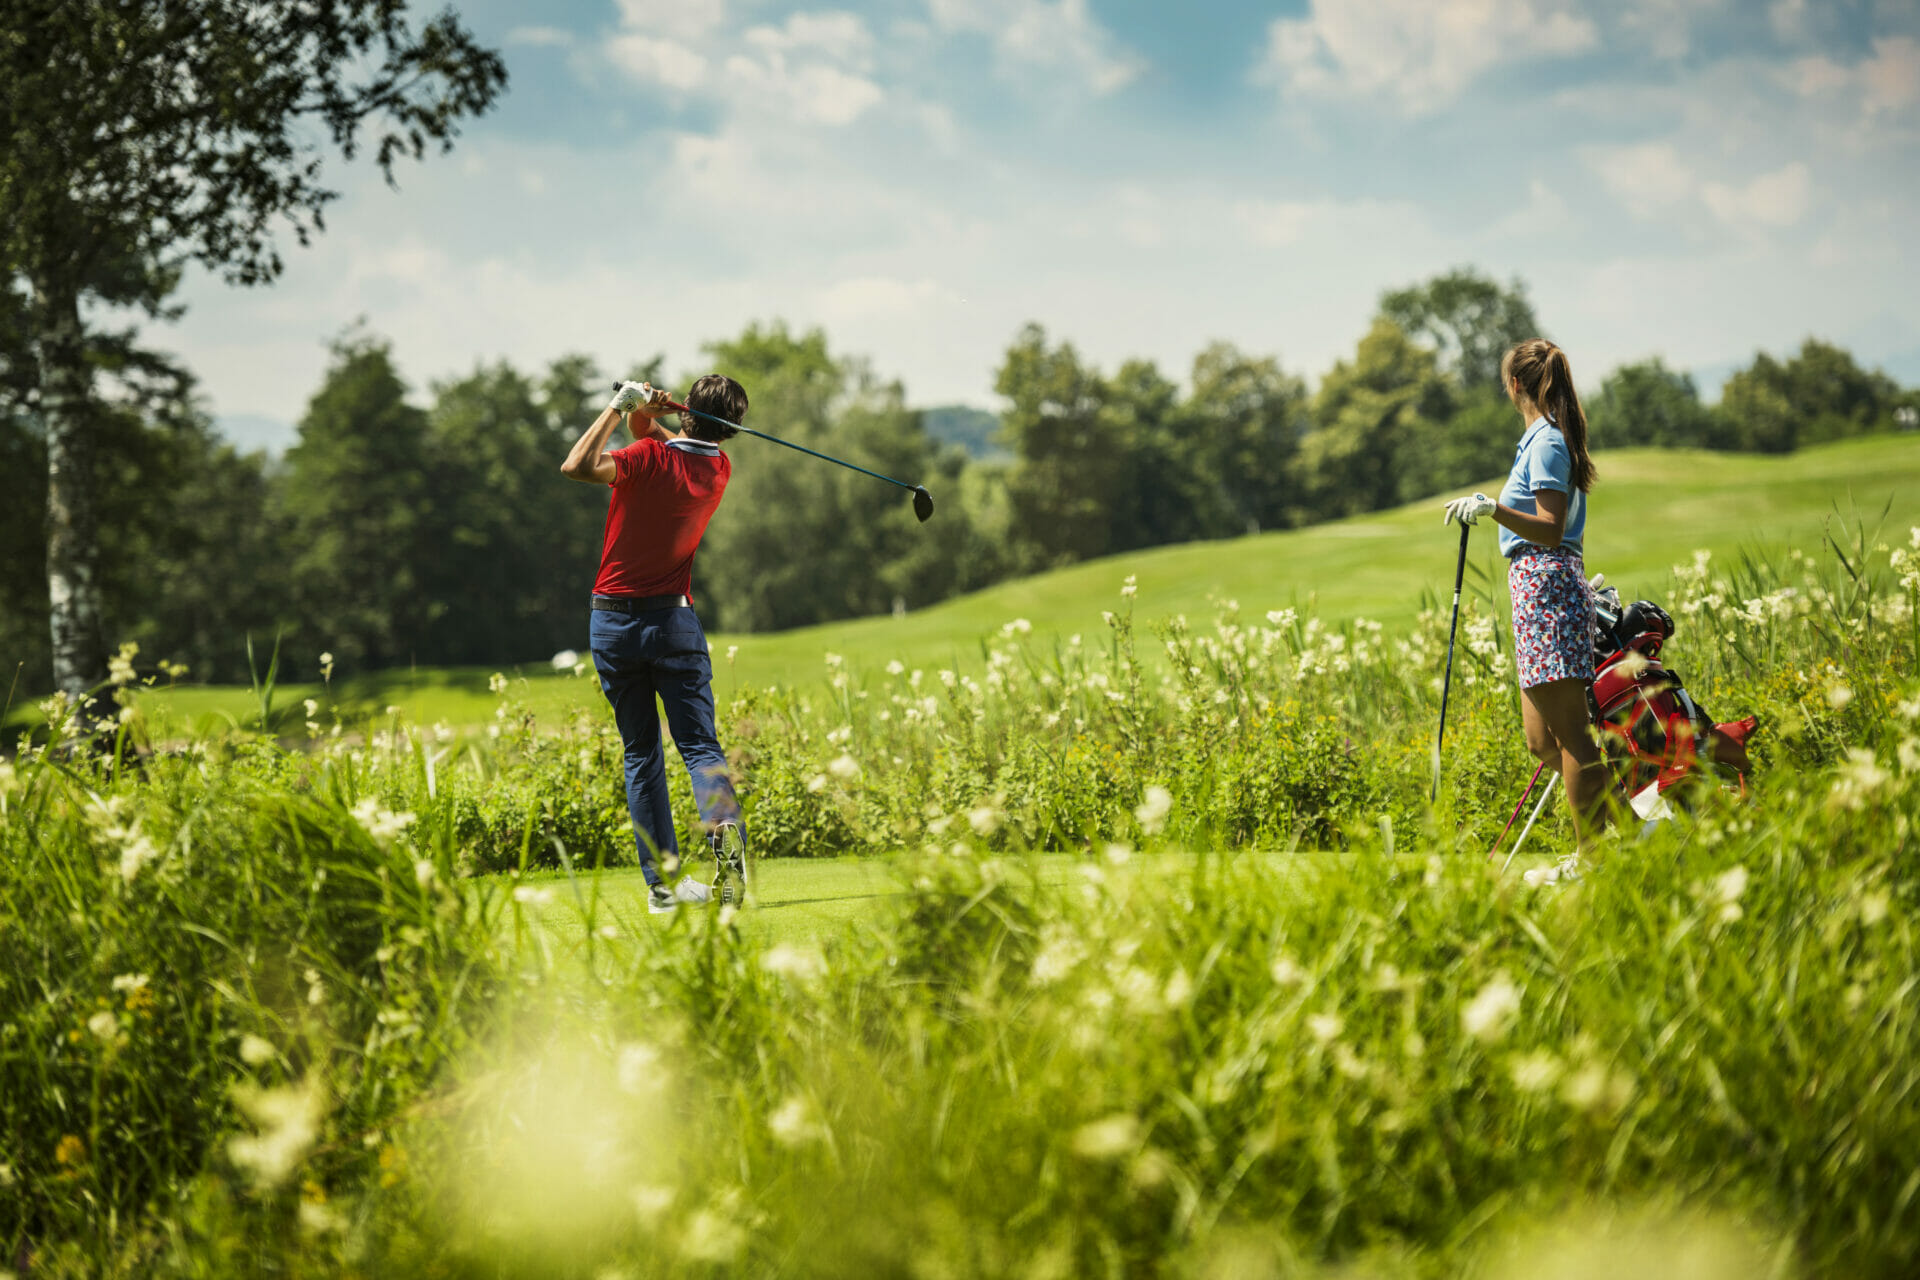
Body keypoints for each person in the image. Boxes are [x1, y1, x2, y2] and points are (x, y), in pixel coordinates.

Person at [561, 375, 749, 913]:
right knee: (700, 747)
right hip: (673, 623)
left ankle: (663, 888)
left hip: (614, 626)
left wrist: (617, 409)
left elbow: (576, 467)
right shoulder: (717, 468)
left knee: (642, 752)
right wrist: (652, 409)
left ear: (687, 410)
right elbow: (673, 440)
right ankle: (723, 825)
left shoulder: (645, 457)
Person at [1443, 338, 1605, 885]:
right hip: (1535, 590)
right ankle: (1626, 824)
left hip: (1549, 586)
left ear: (1516, 385)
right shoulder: (1538, 441)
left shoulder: (1549, 444)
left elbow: (1550, 528)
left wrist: (1494, 510)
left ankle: (1596, 859)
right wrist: (1494, 508)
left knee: (1574, 738)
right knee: (1542, 742)